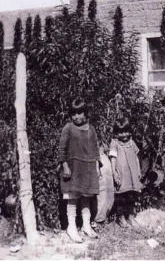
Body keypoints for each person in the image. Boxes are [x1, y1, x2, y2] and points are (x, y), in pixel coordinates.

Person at [59, 98, 101, 242]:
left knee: (86, 198)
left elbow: (95, 149)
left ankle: (86, 225)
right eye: (73, 113)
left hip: (88, 168)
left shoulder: (91, 129)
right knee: (73, 198)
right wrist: (65, 165)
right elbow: (62, 149)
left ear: (85, 113)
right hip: (73, 168)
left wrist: (96, 166)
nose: (76, 116)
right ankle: (71, 227)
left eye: (80, 113)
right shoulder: (68, 128)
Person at [109, 117, 143, 228]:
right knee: (121, 197)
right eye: (121, 132)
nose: (124, 135)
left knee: (132, 196)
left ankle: (131, 217)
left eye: (126, 131)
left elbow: (136, 158)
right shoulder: (115, 143)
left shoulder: (132, 143)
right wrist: (114, 173)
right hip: (122, 175)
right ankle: (121, 217)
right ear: (116, 133)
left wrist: (138, 170)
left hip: (132, 176)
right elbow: (113, 159)